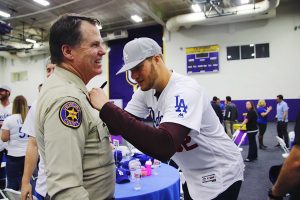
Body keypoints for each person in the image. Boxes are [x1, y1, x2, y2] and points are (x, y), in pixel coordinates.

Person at [89, 37, 244, 200]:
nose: (134, 76)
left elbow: (163, 146)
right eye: (130, 70)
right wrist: (97, 108)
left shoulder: (185, 90)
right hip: (192, 172)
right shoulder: (145, 91)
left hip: (220, 170)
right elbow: (116, 127)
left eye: (138, 67)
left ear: (157, 59)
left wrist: (107, 107)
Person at [35, 13, 115, 199]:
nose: (102, 51)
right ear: (68, 52)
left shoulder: (72, 90)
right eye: (94, 45)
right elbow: (66, 190)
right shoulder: (66, 99)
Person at [21, 60, 55, 200]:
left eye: (55, 69)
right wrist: (25, 182)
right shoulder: (39, 103)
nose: (51, 74)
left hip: (75, 188)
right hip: (44, 186)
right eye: (48, 70)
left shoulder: (79, 99)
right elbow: (33, 144)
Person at [268, 111, 300, 200]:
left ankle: (286, 142)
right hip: (279, 121)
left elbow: (297, 162)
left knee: (284, 133)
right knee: (280, 133)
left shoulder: (284, 104)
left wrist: (275, 194)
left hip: (283, 121)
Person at [1, 95, 29, 190]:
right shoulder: (29, 119)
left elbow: (4, 138)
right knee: (25, 182)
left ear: (14, 106)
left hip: (13, 156)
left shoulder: (9, 120)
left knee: (12, 182)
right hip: (28, 155)